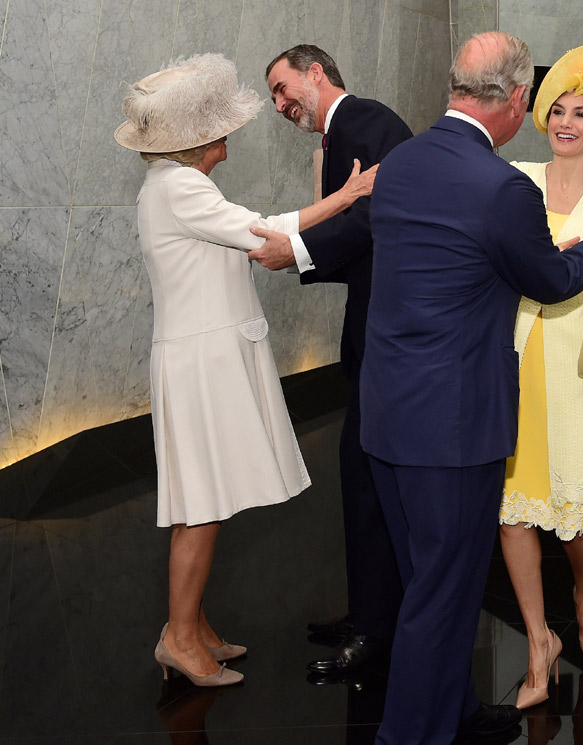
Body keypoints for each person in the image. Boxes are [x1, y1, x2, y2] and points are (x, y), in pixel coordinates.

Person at [359, 31, 583, 745]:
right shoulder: (501, 185)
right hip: (451, 426)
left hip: (387, 413)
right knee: (438, 594)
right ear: (517, 101)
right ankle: (408, 736)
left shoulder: (401, 164)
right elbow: (548, 280)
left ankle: (452, 711)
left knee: (435, 582)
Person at [114, 53, 376, 687]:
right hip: (201, 362)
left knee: (202, 501)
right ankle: (180, 638)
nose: (227, 135)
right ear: (198, 140)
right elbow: (265, 233)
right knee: (201, 505)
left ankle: (192, 626)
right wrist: (347, 195)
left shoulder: (175, 188)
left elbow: (246, 239)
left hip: (200, 356)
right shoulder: (179, 188)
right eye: (219, 125)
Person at [249, 44, 413, 676]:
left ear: (316, 73)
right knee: (361, 477)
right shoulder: (344, 130)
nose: (282, 104)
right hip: (372, 329)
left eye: (284, 88)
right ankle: (368, 612)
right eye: (274, 99)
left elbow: (378, 216)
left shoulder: (366, 121)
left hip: (387, 333)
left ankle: (376, 629)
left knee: (368, 478)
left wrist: (297, 251)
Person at [499, 44, 583, 710]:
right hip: (514, 355)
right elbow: (503, 260)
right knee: (512, 508)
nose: (565, 122)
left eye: (581, 112)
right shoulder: (516, 179)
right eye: (557, 110)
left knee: (575, 514)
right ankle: (536, 640)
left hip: (576, 367)